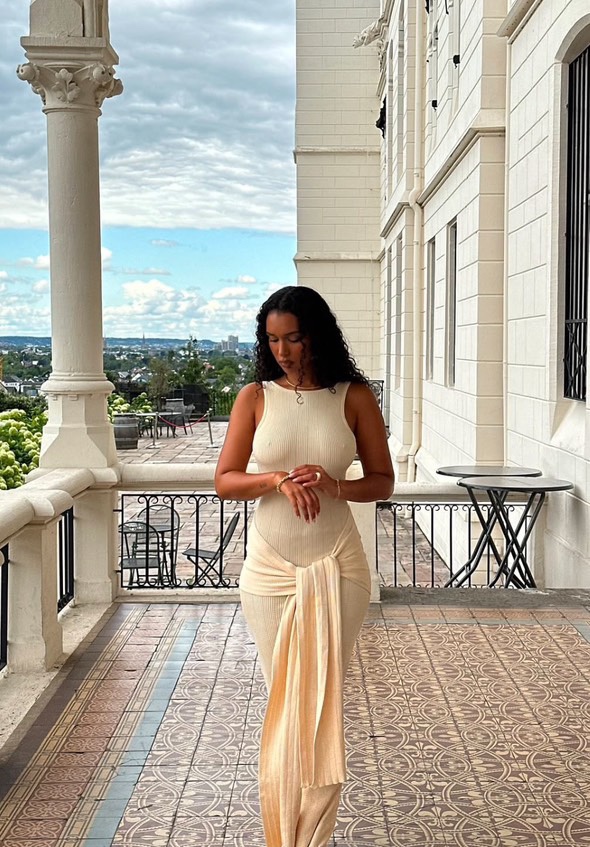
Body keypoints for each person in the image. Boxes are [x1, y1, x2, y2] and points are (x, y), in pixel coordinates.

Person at [214, 285, 394, 847]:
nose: (283, 351)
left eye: (293, 338)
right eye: (272, 340)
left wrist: (336, 485)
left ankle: (311, 834)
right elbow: (225, 481)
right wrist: (275, 479)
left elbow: (383, 481)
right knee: (285, 701)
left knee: (321, 702)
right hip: (268, 569)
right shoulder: (254, 397)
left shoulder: (354, 396)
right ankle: (283, 830)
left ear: (317, 334)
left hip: (338, 567)